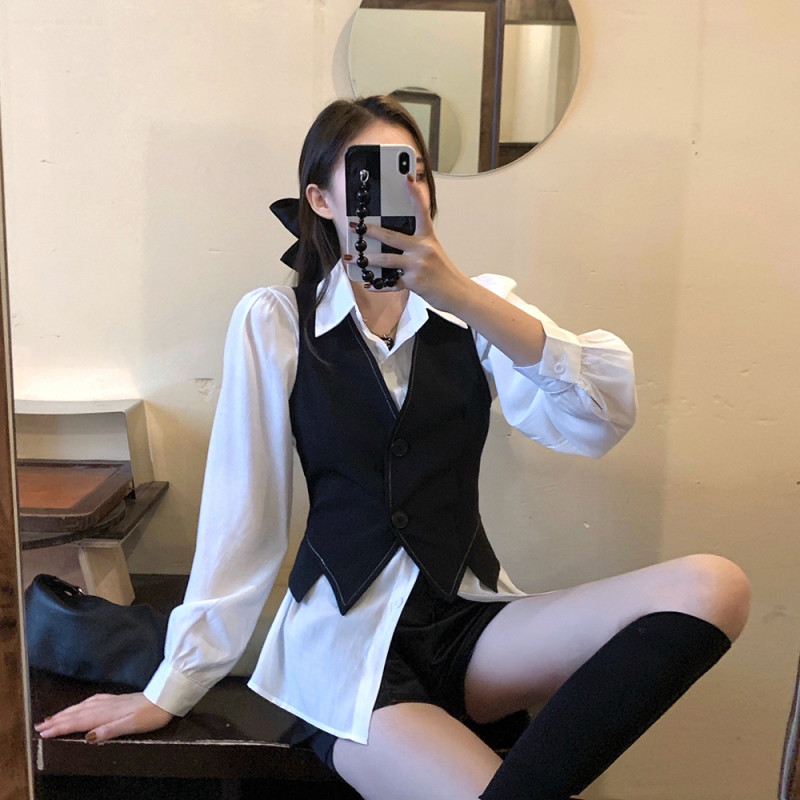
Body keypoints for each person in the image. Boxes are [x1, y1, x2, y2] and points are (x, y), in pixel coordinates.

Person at [34, 95, 750, 800]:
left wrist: (458, 292)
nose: (404, 189)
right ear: (321, 200)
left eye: (415, 171)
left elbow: (596, 418)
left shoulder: (477, 308)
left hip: (468, 622)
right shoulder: (276, 321)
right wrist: (171, 687)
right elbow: (242, 520)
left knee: (715, 586)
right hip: (344, 648)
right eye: (371, 172)